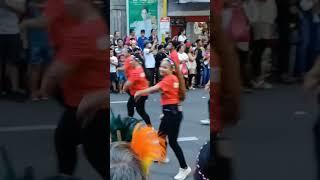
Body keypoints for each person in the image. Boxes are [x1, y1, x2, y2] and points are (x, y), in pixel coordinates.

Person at [31, 0, 108, 178]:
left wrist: (44, 89)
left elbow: (53, 75)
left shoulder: (82, 33)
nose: (65, 6)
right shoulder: (99, 26)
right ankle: (65, 174)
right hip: (83, 104)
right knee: (64, 140)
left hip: (89, 108)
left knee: (98, 157)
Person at [135, 58, 191, 180]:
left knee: (173, 142)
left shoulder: (169, 79)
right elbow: (166, 94)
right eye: (161, 66)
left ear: (171, 69)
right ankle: (163, 156)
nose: (161, 68)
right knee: (161, 135)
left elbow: (154, 89)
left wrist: (139, 92)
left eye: (165, 67)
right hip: (170, 113)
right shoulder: (173, 78)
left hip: (172, 115)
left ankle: (185, 168)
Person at [24, 0, 52, 101]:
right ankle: (33, 92)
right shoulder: (31, 4)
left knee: (47, 67)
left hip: (50, 38)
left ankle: (43, 91)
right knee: (36, 67)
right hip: (36, 39)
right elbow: (31, 7)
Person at [0, 0, 26, 100]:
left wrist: (6, 5)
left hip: (13, 32)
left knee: (13, 62)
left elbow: (22, 10)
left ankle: (14, 90)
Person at [123, 57, 152, 127]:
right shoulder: (140, 68)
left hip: (139, 94)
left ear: (136, 61)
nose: (130, 62)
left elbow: (128, 83)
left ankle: (149, 126)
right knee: (130, 106)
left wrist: (124, 88)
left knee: (140, 111)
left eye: (132, 61)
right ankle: (130, 123)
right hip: (140, 93)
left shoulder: (136, 72)